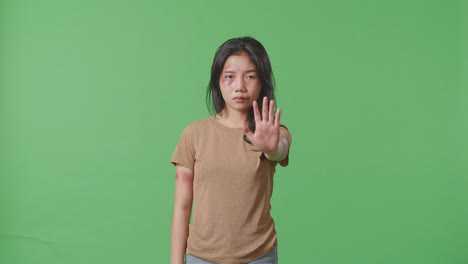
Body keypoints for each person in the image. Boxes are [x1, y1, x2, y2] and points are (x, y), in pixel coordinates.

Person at [170, 37, 292, 264]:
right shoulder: (193, 134)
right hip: (202, 257)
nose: (240, 86)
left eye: (250, 76)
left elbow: (280, 151)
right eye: (229, 77)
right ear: (217, 82)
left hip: (258, 256)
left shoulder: (273, 132)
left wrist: (271, 148)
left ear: (262, 82)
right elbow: (182, 206)